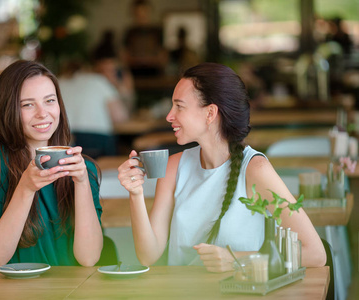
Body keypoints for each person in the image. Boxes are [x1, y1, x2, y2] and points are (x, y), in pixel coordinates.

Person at [117, 62, 326, 271]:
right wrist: (136, 194)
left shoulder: (255, 169)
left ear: (210, 113)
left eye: (179, 106)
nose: (169, 116)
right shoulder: (173, 167)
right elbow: (148, 256)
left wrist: (235, 259)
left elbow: (315, 254)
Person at [0, 60, 103, 267]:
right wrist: (26, 187)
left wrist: (83, 183)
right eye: (27, 104)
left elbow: (89, 258)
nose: (42, 113)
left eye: (49, 101)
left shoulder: (85, 169)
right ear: (9, 110)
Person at [59, 59, 129, 158]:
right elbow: (119, 117)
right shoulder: (98, 80)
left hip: (66, 137)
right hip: (96, 137)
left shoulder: (59, 82)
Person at [121, 0, 168, 77]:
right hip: (134, 74)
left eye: (144, 12)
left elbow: (163, 57)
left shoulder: (157, 31)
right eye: (138, 13)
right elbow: (125, 56)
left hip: (155, 74)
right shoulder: (130, 32)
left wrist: (148, 60)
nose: (141, 16)